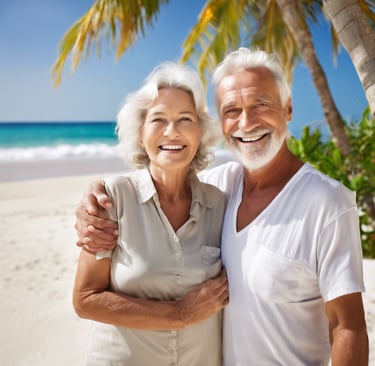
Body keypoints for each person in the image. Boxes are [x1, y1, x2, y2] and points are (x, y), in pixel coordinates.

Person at [74, 48, 369, 365]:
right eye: (231, 110)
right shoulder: (222, 186)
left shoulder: (327, 201)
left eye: (261, 104)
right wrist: (94, 200)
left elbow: (347, 326)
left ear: (288, 108)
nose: (246, 122)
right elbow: (163, 173)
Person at [72, 62, 229, 366]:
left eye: (186, 119)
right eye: (159, 119)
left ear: (200, 135)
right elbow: (85, 300)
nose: (173, 131)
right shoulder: (111, 199)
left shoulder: (221, 204)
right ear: (141, 133)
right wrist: (179, 314)